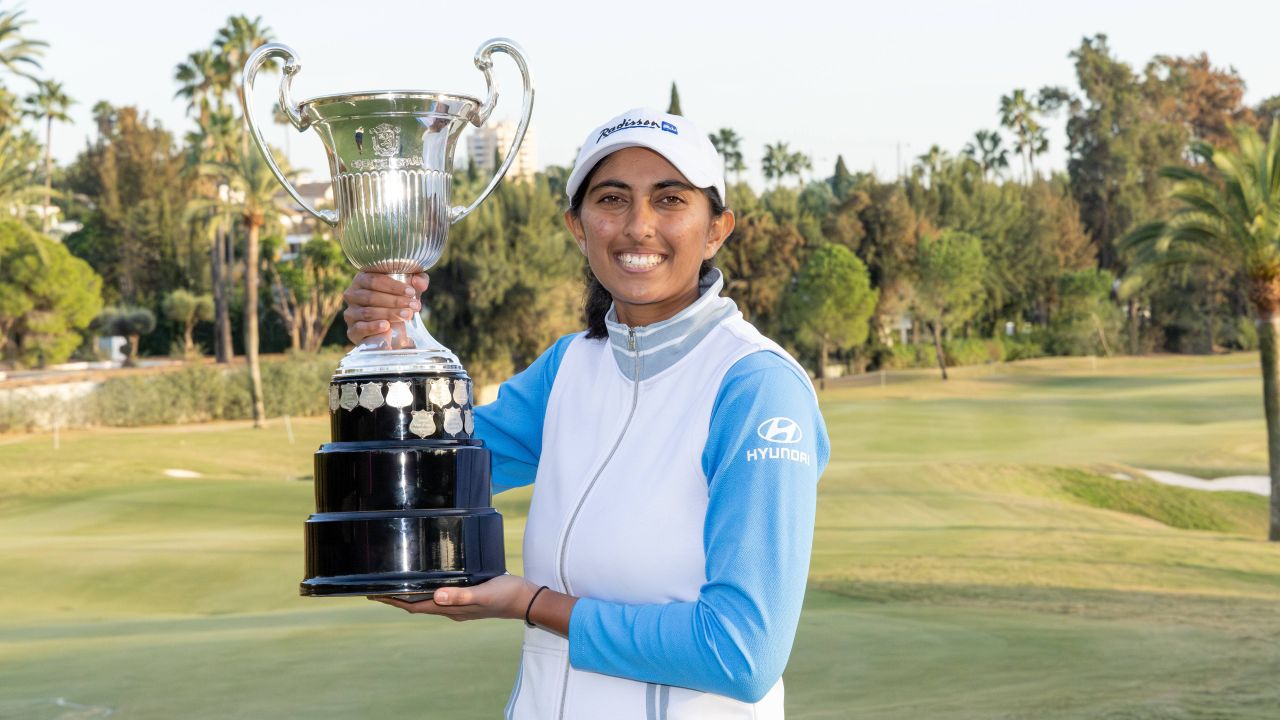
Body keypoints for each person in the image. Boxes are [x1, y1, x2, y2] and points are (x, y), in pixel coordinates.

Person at [348, 108, 830, 719]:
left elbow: (741, 652)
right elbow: (420, 472)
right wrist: (390, 343)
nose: (639, 227)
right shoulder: (569, 367)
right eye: (612, 199)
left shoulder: (756, 387)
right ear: (579, 228)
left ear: (716, 230)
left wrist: (531, 604)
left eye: (670, 199)